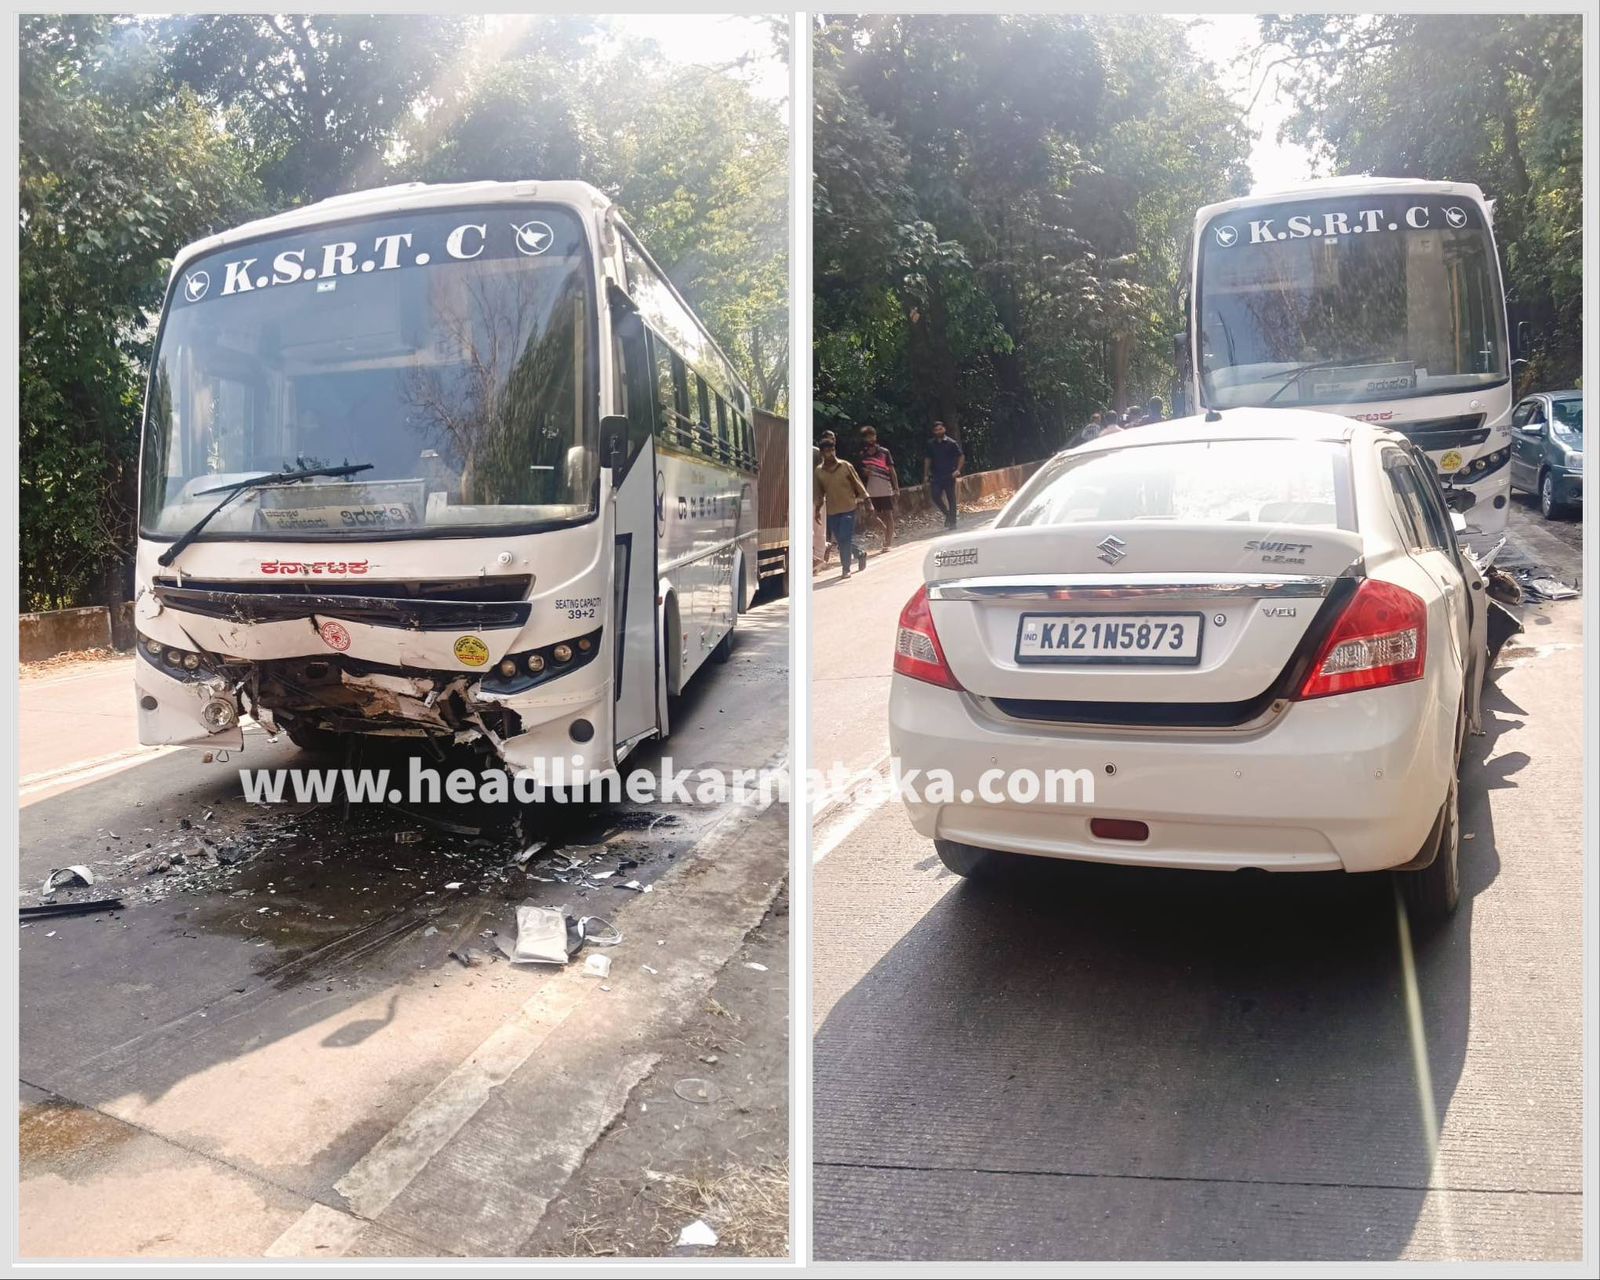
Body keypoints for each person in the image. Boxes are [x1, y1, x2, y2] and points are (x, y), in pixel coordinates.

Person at [814, 437, 869, 578]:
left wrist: (867, 500)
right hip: (832, 511)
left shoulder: (845, 466)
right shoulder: (819, 472)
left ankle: (846, 569)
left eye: (832, 450)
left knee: (845, 537)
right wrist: (817, 511)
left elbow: (858, 483)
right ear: (822, 453)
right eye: (827, 451)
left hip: (849, 508)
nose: (831, 453)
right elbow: (819, 493)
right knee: (842, 541)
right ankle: (860, 554)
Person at [855, 424, 900, 550]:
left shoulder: (884, 452)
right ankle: (886, 530)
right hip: (871, 489)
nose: (870, 439)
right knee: (871, 515)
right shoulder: (863, 455)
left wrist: (896, 488)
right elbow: (860, 473)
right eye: (867, 437)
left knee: (888, 515)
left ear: (875, 436)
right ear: (864, 439)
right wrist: (865, 473)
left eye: (872, 436)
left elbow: (892, 470)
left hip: (885, 487)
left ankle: (888, 542)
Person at [923, 420, 964, 529]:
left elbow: (961, 456)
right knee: (935, 496)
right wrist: (926, 475)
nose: (938, 431)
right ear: (933, 431)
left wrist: (958, 469)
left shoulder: (951, 443)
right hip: (936, 475)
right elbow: (928, 459)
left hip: (949, 474)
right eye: (936, 430)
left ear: (944, 429)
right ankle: (948, 514)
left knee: (951, 498)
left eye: (940, 429)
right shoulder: (930, 444)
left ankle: (953, 522)